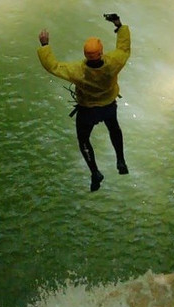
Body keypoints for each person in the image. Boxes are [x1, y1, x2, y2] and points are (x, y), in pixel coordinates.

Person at [37, 13, 130, 191]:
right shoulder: (113, 63)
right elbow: (124, 49)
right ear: (101, 52)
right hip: (108, 106)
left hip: (88, 111)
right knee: (114, 129)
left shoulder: (77, 71)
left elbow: (53, 66)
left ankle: (95, 172)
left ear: (85, 55)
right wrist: (118, 25)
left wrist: (45, 45)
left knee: (84, 140)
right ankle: (120, 160)